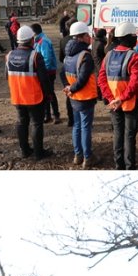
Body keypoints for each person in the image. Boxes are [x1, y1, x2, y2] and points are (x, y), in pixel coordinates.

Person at [98, 21, 138, 170]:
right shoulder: (134, 56)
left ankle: (119, 165)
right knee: (129, 136)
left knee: (118, 134)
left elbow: (101, 79)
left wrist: (111, 99)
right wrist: (121, 98)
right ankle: (130, 166)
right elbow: (135, 82)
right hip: (128, 103)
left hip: (114, 104)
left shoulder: (108, 55)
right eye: (134, 36)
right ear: (129, 37)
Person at [7, 26, 52, 162]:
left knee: (22, 123)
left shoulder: (9, 56)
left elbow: (7, 75)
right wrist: (48, 94)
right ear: (32, 40)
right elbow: (44, 79)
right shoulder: (35, 56)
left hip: (17, 96)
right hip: (34, 97)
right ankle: (39, 153)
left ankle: (24, 151)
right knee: (37, 124)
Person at [63, 21, 98, 168]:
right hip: (85, 97)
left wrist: (68, 87)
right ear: (82, 37)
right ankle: (88, 158)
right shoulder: (85, 56)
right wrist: (72, 88)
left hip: (74, 98)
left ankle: (78, 156)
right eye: (88, 35)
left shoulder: (68, 55)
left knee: (77, 126)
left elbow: (62, 73)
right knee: (85, 128)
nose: (90, 37)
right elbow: (83, 79)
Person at [32, 23, 61, 124]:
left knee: (50, 92)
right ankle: (47, 114)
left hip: (47, 71)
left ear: (34, 33)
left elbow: (47, 59)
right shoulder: (37, 41)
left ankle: (55, 115)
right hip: (43, 71)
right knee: (44, 93)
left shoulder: (43, 41)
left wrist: (43, 72)